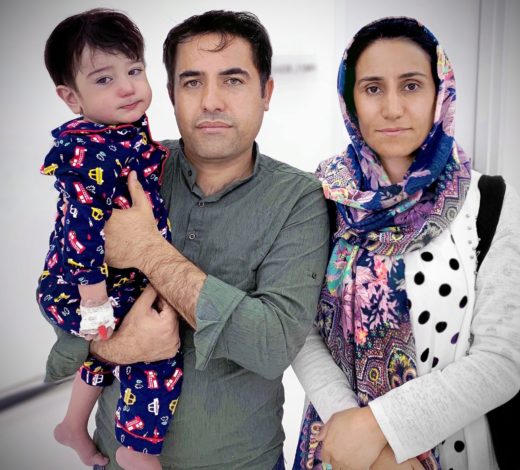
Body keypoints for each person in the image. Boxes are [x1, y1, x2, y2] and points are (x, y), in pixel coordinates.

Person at [41, 9, 330, 470]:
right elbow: (66, 279)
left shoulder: (300, 200)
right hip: (113, 458)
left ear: (266, 92)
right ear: (172, 93)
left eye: (233, 80)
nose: (211, 101)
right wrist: (115, 346)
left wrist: (150, 252)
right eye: (192, 82)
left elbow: (273, 344)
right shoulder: (129, 173)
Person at [291, 16, 520, 470]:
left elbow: (501, 359)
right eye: (372, 88)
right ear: (351, 101)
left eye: (411, 86)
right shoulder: (319, 199)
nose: (392, 108)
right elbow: (299, 329)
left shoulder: (490, 199)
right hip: (342, 451)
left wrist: (378, 430)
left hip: (454, 450)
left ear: (440, 94)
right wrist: (366, 446)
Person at [37, 8, 183, 470]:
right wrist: (94, 303)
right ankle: (138, 449)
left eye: (135, 70)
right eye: (103, 79)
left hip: (105, 279)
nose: (127, 86)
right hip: (82, 286)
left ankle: (72, 427)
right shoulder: (88, 150)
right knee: (156, 346)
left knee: (124, 344)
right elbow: (80, 230)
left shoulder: (122, 132)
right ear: (70, 97)